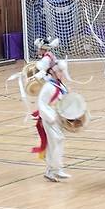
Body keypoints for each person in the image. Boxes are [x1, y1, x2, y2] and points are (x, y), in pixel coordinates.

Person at [31, 45, 72, 182]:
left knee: (55, 142)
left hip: (57, 118)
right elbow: (42, 104)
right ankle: (55, 169)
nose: (61, 74)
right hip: (49, 119)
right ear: (53, 72)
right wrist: (51, 117)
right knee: (56, 141)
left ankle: (52, 170)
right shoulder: (49, 86)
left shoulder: (59, 85)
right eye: (59, 71)